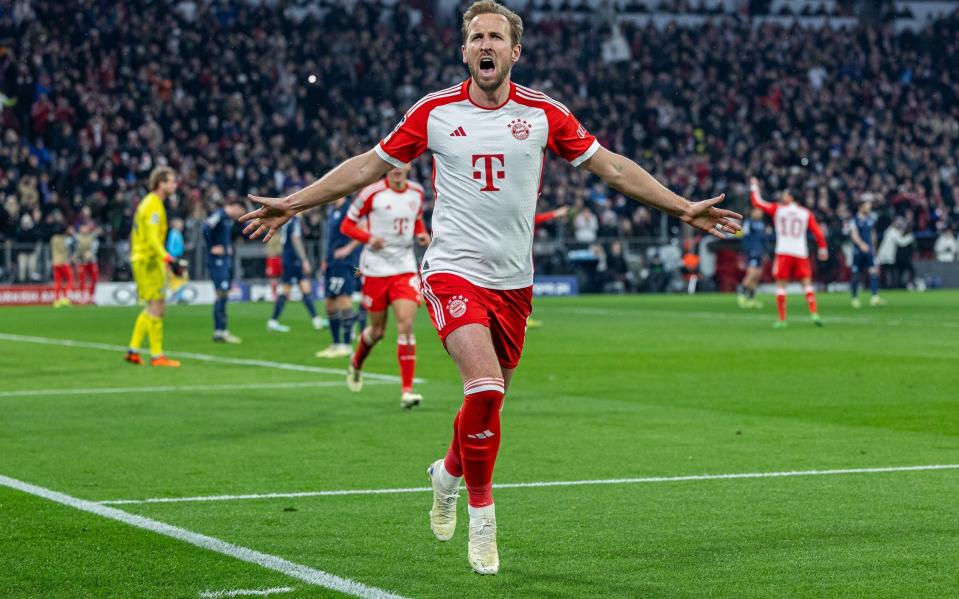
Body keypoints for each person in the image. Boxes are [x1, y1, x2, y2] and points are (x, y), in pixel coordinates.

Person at [240, 0, 740, 575]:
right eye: (476, 36)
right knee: (483, 388)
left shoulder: (545, 114)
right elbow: (365, 167)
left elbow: (615, 169)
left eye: (496, 37)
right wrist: (295, 203)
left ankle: (447, 473)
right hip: (452, 270)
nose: (486, 45)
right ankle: (483, 517)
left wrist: (682, 208)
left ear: (514, 51)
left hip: (513, 284)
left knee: (490, 398)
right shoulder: (434, 113)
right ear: (464, 50)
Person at [340, 163, 430, 409]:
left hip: (404, 268)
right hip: (375, 269)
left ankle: (407, 391)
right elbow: (346, 225)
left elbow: (418, 221)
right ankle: (357, 363)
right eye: (392, 164)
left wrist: (422, 234)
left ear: (410, 166)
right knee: (377, 331)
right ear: (386, 168)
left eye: (402, 163)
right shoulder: (372, 194)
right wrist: (369, 238)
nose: (397, 168)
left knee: (406, 324)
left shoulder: (417, 192)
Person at [750, 177, 827, 328]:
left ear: (791, 197)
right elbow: (817, 232)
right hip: (800, 252)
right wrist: (822, 248)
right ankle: (814, 313)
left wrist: (754, 186)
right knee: (807, 284)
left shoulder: (779, 209)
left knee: (781, 286)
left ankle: (782, 319)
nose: (782, 197)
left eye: (785, 194)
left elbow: (757, 203)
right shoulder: (805, 213)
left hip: (784, 251)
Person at [125, 166, 182, 367]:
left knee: (151, 306)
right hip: (148, 260)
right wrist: (167, 258)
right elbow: (151, 237)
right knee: (157, 306)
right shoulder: (153, 204)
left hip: (145, 258)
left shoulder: (151, 203)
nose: (175, 185)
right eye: (172, 181)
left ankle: (133, 350)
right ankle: (157, 356)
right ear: (161, 183)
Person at [314, 198, 362, 358]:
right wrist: (326, 260)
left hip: (345, 263)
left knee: (343, 300)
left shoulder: (349, 209)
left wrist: (348, 249)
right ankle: (335, 344)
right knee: (329, 303)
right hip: (332, 263)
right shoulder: (333, 211)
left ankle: (347, 345)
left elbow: (363, 229)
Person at [266, 215, 326, 333]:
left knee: (305, 289)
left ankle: (316, 319)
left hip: (289, 258)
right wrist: (304, 259)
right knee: (288, 290)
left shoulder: (288, 220)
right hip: (293, 259)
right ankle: (273, 321)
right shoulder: (295, 221)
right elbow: (295, 238)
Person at [203, 199, 246, 343]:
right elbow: (205, 228)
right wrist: (212, 246)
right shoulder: (219, 215)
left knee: (223, 295)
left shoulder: (227, 219)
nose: (240, 215)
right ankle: (220, 331)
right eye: (241, 211)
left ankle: (221, 331)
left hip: (224, 260)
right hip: (217, 261)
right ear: (235, 207)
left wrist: (227, 246)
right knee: (221, 294)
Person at [848, 200, 886, 308]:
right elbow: (853, 235)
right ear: (860, 207)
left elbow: (872, 234)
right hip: (858, 251)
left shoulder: (870, 220)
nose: (869, 208)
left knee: (874, 272)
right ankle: (854, 298)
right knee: (856, 274)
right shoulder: (854, 220)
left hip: (869, 250)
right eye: (867, 206)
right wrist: (861, 245)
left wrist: (874, 248)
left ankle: (874, 297)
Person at [736, 206, 767, 308]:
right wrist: (748, 251)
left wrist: (765, 252)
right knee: (751, 274)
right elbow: (745, 238)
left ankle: (751, 299)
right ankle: (741, 296)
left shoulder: (762, 224)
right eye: (758, 211)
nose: (760, 213)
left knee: (757, 275)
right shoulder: (748, 223)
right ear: (753, 212)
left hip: (759, 253)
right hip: (752, 252)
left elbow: (763, 240)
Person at [48, 210, 74, 307]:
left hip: (55, 262)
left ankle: (56, 300)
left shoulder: (53, 238)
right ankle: (65, 297)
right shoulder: (63, 239)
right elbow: (64, 250)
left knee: (57, 282)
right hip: (63, 262)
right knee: (70, 279)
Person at [74, 208, 101, 300]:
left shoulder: (92, 236)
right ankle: (82, 296)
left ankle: (91, 296)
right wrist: (77, 257)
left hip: (92, 260)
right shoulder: (77, 237)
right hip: (82, 261)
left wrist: (91, 253)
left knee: (94, 279)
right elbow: (75, 249)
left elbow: (96, 245)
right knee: (82, 279)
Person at [166, 217, 188, 304]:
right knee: (180, 277)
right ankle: (177, 296)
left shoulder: (177, 233)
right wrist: (173, 257)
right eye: (180, 224)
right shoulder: (174, 233)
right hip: (176, 258)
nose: (181, 225)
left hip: (178, 257)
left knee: (181, 277)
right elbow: (170, 247)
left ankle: (178, 295)